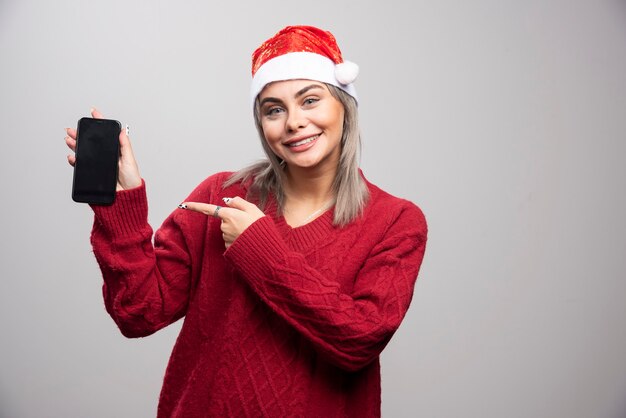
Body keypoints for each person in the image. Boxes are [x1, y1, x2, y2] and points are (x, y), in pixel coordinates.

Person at [64, 25, 427, 418]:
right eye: (274, 109)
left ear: (344, 105)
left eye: (310, 100)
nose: (293, 122)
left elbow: (359, 339)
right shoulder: (220, 194)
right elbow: (138, 313)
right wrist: (123, 208)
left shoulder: (396, 221)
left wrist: (257, 246)